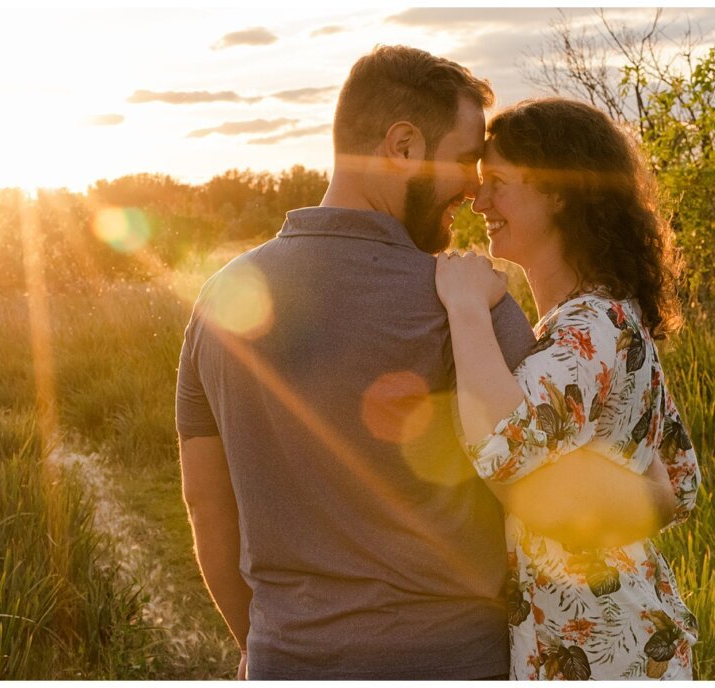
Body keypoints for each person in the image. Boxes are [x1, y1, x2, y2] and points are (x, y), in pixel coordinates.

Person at [176, 47, 676, 680]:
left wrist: (268, 642)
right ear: (404, 146)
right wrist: (660, 493)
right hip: (454, 661)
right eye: (466, 160)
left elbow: (204, 503)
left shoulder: (219, 302)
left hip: (288, 659)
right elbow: (544, 483)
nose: (473, 189)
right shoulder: (466, 304)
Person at [435, 97, 701, 680]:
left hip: (607, 650)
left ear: (559, 192)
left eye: (497, 183)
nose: (479, 203)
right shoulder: (608, 318)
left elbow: (503, 448)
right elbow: (680, 480)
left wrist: (463, 304)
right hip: (619, 634)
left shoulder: (589, 327)